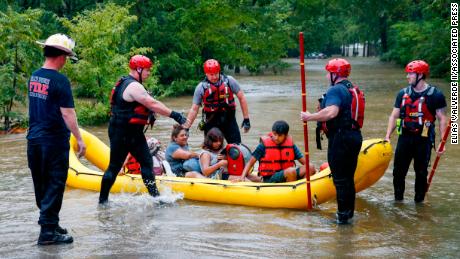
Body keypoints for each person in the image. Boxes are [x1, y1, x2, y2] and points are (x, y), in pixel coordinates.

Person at [99, 55, 187, 204]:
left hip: (133, 133)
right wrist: (175, 115)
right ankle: (102, 201)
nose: (149, 73)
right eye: (147, 70)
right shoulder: (133, 86)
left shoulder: (129, 83)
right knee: (114, 167)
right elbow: (152, 103)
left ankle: (156, 198)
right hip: (122, 132)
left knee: (146, 163)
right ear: (138, 69)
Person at [27, 33, 86, 245]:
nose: (66, 62)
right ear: (61, 56)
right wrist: (80, 140)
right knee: (55, 183)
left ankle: (50, 223)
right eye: (66, 57)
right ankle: (47, 234)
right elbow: (68, 114)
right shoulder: (60, 80)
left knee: (41, 183)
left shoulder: (34, 76)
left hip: (33, 139)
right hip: (54, 140)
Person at [301, 58, 363, 224]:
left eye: (328, 73)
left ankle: (342, 219)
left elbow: (331, 112)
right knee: (348, 178)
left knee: (340, 179)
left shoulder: (335, 90)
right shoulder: (351, 88)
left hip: (341, 138)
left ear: (335, 74)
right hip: (355, 136)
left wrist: (310, 117)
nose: (326, 76)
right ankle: (349, 214)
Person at [384, 60, 447, 203]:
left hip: (423, 139)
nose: (408, 76)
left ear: (421, 75)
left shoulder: (435, 95)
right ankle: (398, 201)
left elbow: (442, 119)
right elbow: (394, 115)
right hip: (405, 138)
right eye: (408, 73)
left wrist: (442, 143)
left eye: (411, 73)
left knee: (421, 173)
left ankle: (419, 204)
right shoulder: (402, 93)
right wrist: (388, 135)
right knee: (398, 173)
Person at [183, 59, 250, 144]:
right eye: (211, 74)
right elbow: (194, 109)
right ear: (206, 74)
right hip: (211, 122)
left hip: (229, 121)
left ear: (219, 71)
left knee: (236, 149)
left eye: (216, 74)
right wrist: (186, 127)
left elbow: (242, 98)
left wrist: (246, 119)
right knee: (210, 150)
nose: (214, 77)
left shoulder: (230, 81)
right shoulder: (201, 88)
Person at [237, 120, 313, 183]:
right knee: (290, 171)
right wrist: (242, 177)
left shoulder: (290, 144)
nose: (276, 138)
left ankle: (302, 188)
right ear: (272, 132)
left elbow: (305, 163)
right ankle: (291, 193)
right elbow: (250, 162)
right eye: (274, 134)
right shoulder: (263, 145)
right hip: (270, 178)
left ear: (286, 135)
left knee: (310, 167)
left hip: (289, 174)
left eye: (280, 135)